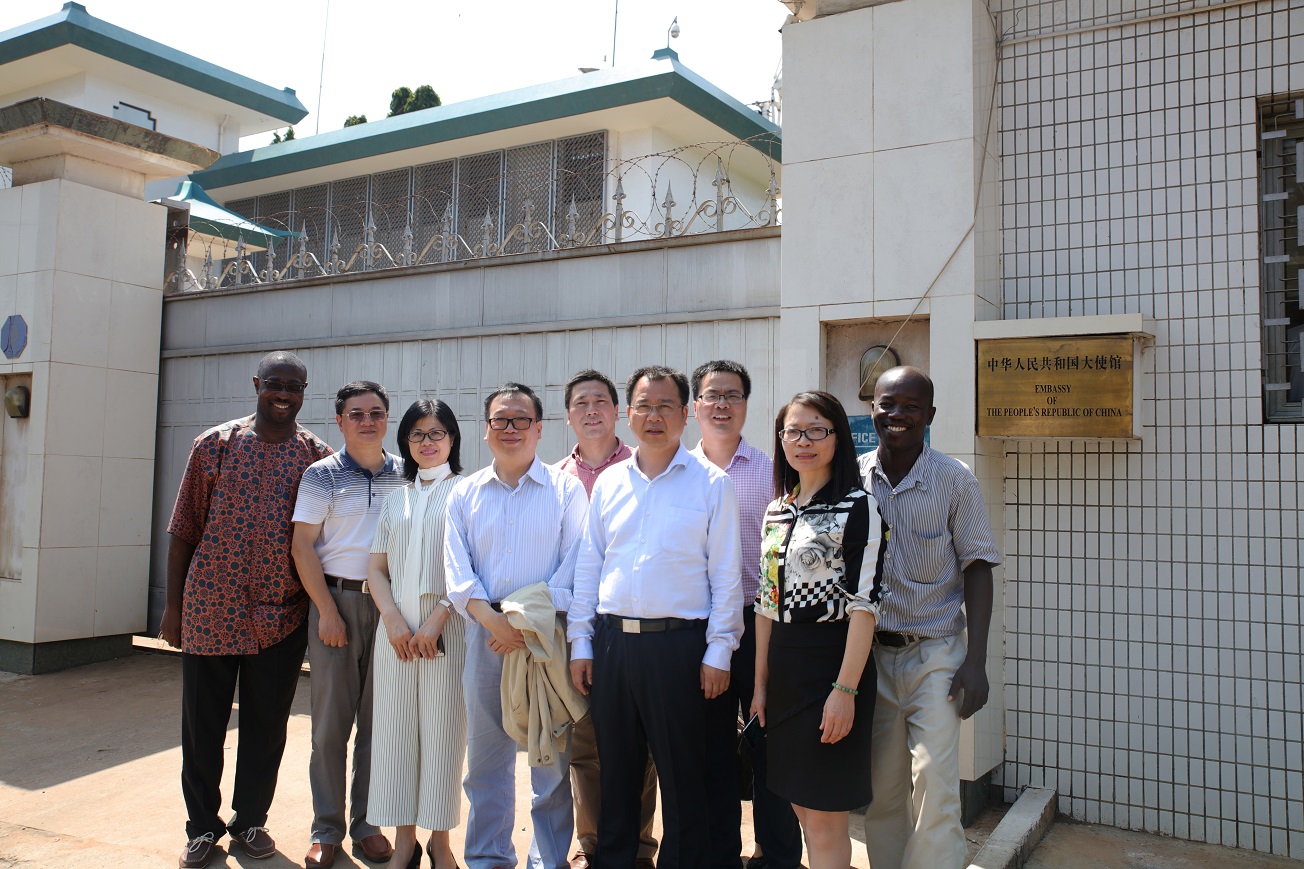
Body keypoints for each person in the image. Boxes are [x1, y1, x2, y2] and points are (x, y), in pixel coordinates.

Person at [161, 351, 332, 869]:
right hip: (210, 608)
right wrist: (173, 607)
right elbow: (183, 530)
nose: (283, 394)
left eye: (294, 387)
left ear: (304, 392)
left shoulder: (316, 459)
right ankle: (201, 827)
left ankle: (250, 821)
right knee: (203, 727)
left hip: (281, 616)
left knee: (267, 727)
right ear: (257, 384)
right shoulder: (213, 445)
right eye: (275, 383)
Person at [568, 365, 743, 869]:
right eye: (644, 406)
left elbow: (726, 575)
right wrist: (581, 642)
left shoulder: (711, 484)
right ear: (629, 414)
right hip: (613, 646)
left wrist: (719, 650)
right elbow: (590, 566)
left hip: (680, 649)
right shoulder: (609, 484)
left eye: (666, 406)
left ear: (685, 414)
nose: (654, 416)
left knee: (684, 778)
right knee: (617, 774)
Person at [859, 366, 1000, 869]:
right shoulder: (853, 476)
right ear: (872, 409)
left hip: (935, 656)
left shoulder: (955, 479)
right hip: (871, 657)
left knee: (935, 784)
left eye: (911, 406)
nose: (897, 414)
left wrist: (976, 662)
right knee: (883, 790)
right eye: (887, 404)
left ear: (930, 415)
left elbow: (978, 567)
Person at [444, 383, 588, 869]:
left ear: (539, 428)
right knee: (486, 760)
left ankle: (547, 860)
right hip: (484, 636)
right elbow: (457, 570)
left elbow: (575, 566)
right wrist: (492, 619)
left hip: (544, 639)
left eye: (521, 419)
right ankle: (488, 857)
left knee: (549, 759)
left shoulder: (566, 489)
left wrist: (524, 623)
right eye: (500, 420)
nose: (511, 428)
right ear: (485, 431)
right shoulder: (464, 493)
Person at [750, 391, 884, 869]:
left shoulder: (858, 506)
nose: (803, 441)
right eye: (793, 432)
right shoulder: (776, 509)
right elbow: (766, 604)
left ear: (837, 438)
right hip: (784, 672)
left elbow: (864, 606)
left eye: (816, 430)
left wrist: (845, 690)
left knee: (826, 817)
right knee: (801, 807)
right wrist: (760, 686)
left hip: (832, 665)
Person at [689, 361, 801, 869]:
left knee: (769, 743)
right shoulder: (680, 473)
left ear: (746, 405)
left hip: (762, 623)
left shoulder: (774, 470)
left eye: (732, 395)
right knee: (711, 749)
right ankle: (720, 855)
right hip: (701, 628)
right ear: (695, 406)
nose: (721, 404)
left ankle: (776, 855)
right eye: (712, 395)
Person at [292, 381, 408, 868]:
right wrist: (327, 611)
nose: (367, 421)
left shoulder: (407, 472)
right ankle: (327, 828)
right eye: (356, 414)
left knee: (379, 725)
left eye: (376, 413)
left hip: (392, 610)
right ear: (339, 421)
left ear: (387, 418)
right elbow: (302, 547)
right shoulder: (321, 475)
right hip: (336, 604)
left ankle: (367, 825)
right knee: (329, 727)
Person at [554, 370, 658, 869]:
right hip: (575, 625)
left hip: (632, 624)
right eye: (581, 403)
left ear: (619, 411)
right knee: (585, 742)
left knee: (641, 743)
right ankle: (590, 840)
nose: (591, 410)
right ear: (567, 416)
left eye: (601, 401)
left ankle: (640, 844)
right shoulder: (554, 478)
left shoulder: (645, 467)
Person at [367, 399, 468, 869]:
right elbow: (376, 568)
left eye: (436, 432)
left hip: (448, 633)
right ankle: (404, 842)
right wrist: (391, 619)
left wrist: (439, 615)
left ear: (452, 438)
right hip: (396, 639)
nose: (427, 442)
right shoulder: (396, 498)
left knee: (444, 736)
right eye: (417, 434)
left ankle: (440, 842)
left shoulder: (467, 492)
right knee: (395, 736)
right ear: (405, 442)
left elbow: (475, 568)